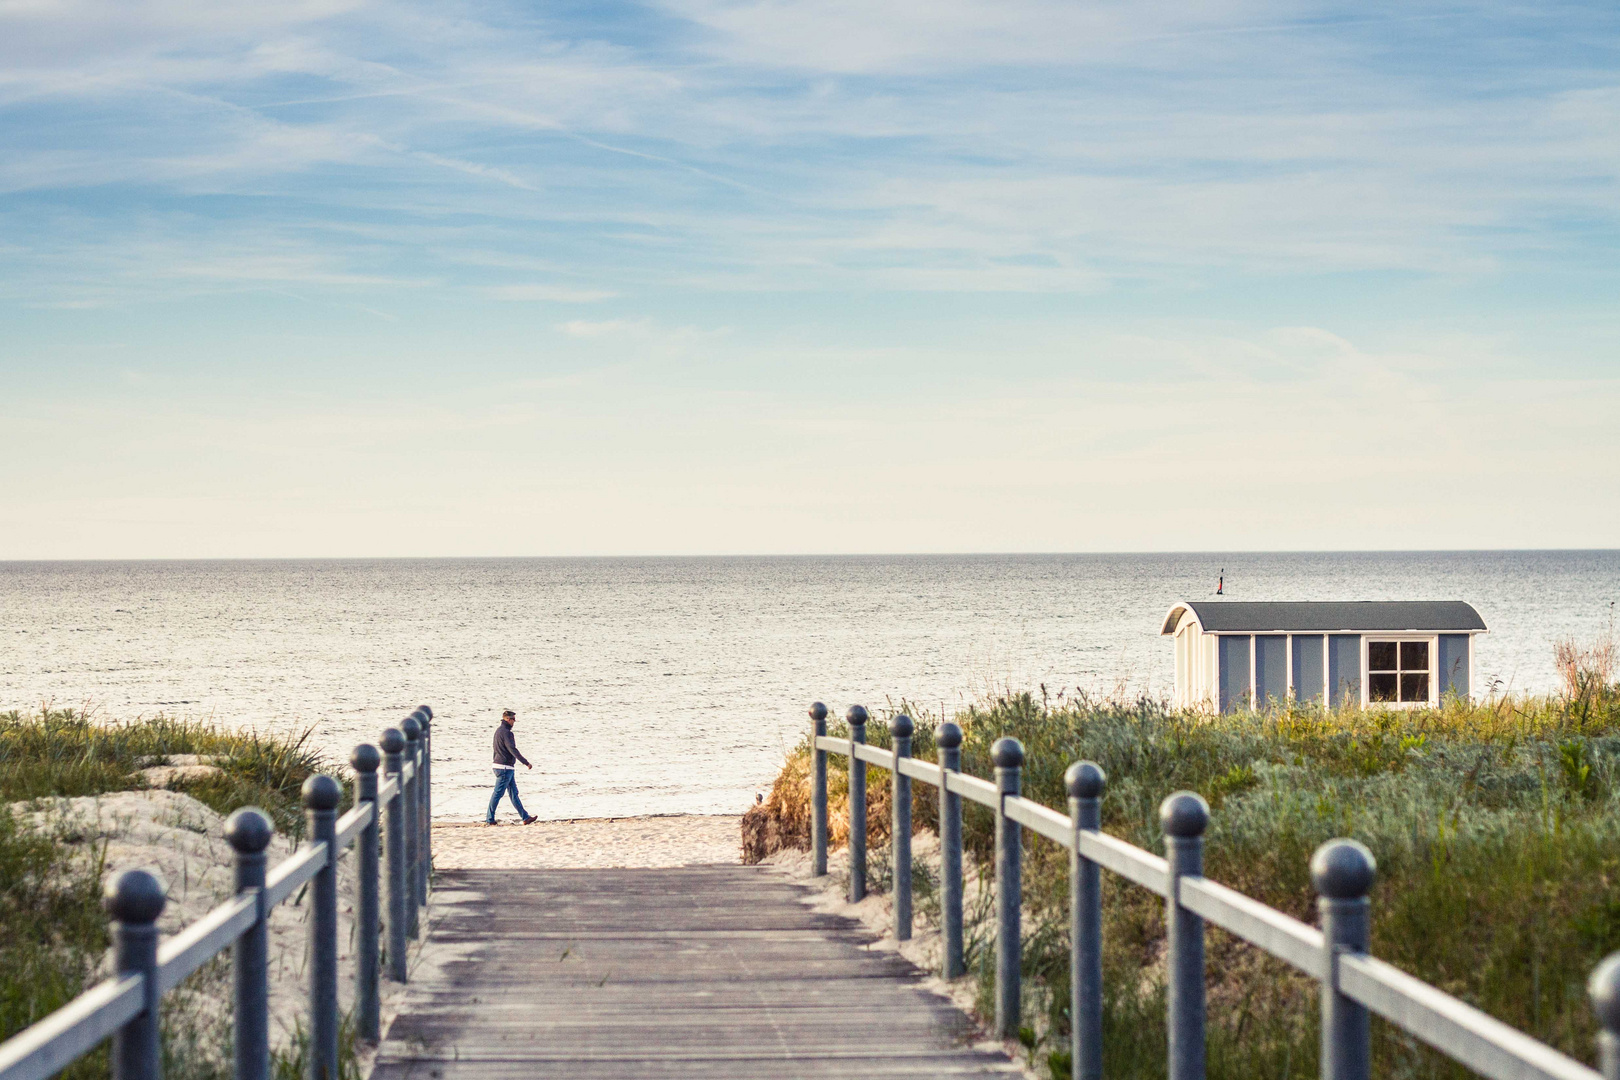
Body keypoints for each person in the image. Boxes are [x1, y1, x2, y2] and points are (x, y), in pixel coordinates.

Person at [487, 709, 538, 826]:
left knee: (513, 793)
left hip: (500, 766)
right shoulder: (507, 733)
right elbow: (512, 749)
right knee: (498, 794)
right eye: (513, 719)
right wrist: (526, 762)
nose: (514, 722)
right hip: (504, 768)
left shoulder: (498, 731)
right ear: (507, 719)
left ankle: (525, 817)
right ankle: (489, 819)